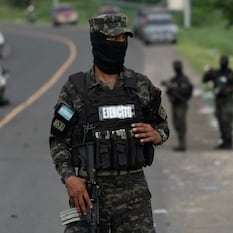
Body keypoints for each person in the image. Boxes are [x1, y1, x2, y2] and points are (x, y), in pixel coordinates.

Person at [49, 14, 169, 233]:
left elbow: (163, 126)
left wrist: (158, 134)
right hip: (88, 193)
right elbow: (58, 141)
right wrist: (69, 178)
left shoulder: (140, 85)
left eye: (123, 40)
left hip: (134, 192)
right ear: (97, 40)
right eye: (112, 40)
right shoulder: (76, 89)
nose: (119, 45)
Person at [202, 55, 233, 149]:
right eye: (221, 61)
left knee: (227, 120)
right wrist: (208, 72)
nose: (223, 62)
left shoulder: (231, 74)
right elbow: (205, 80)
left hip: (227, 100)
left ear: (227, 62)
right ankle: (224, 141)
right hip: (218, 100)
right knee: (220, 120)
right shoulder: (216, 73)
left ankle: (229, 142)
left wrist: (229, 89)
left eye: (224, 61)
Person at [161, 60, 193, 151]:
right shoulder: (174, 79)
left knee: (181, 123)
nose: (176, 68)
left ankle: (182, 144)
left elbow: (187, 91)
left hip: (181, 104)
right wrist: (170, 88)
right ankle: (180, 143)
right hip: (175, 104)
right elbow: (168, 91)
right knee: (176, 124)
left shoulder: (184, 79)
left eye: (177, 66)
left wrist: (176, 88)